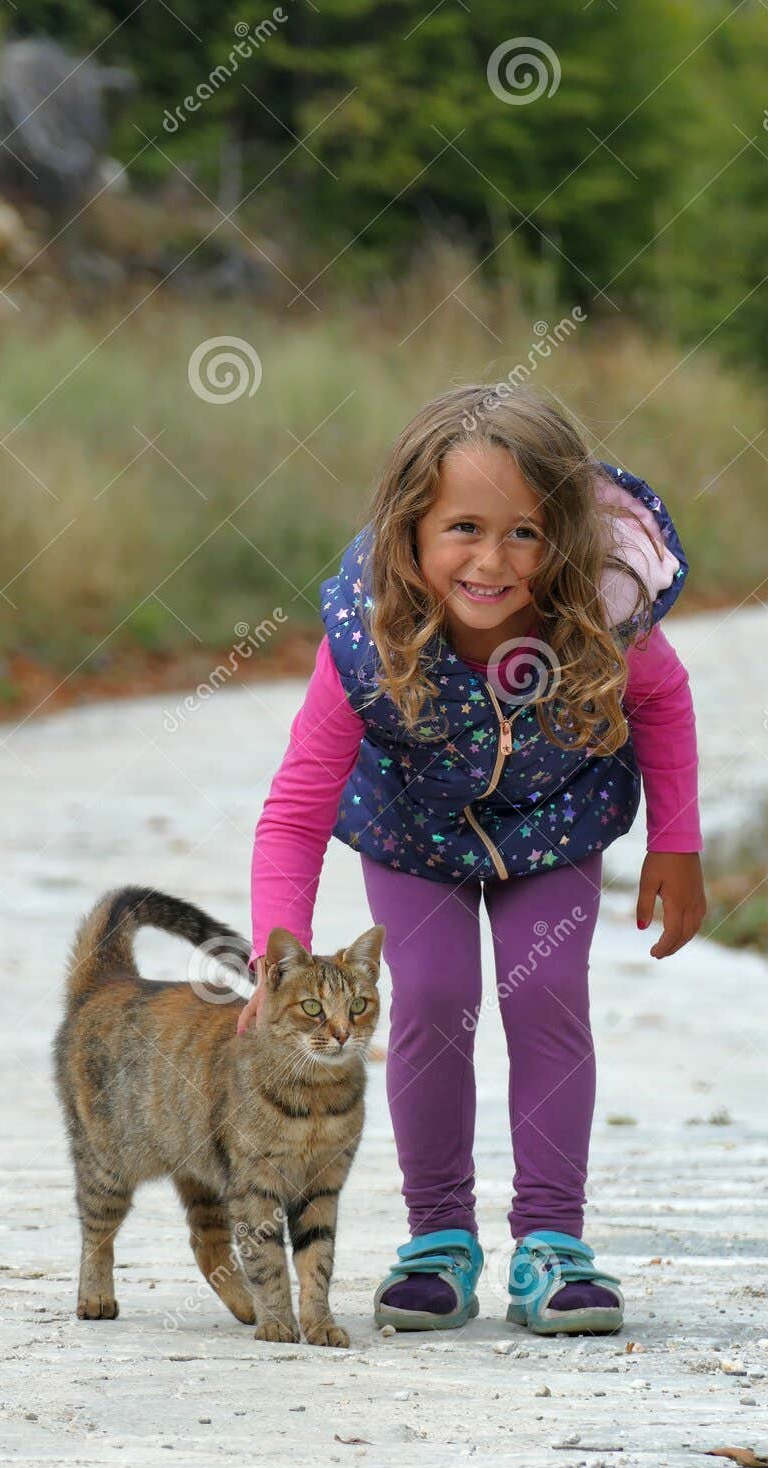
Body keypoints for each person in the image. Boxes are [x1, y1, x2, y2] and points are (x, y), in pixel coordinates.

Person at [238, 384, 704, 1338]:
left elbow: (664, 701)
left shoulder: (601, 618)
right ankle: (438, 1240)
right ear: (409, 530)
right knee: (437, 997)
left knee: (544, 999)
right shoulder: (367, 643)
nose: (492, 561)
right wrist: (268, 958)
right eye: (462, 528)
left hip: (556, 822)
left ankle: (551, 1246)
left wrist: (677, 844)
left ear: (564, 538)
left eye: (525, 533)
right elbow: (291, 812)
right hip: (414, 836)